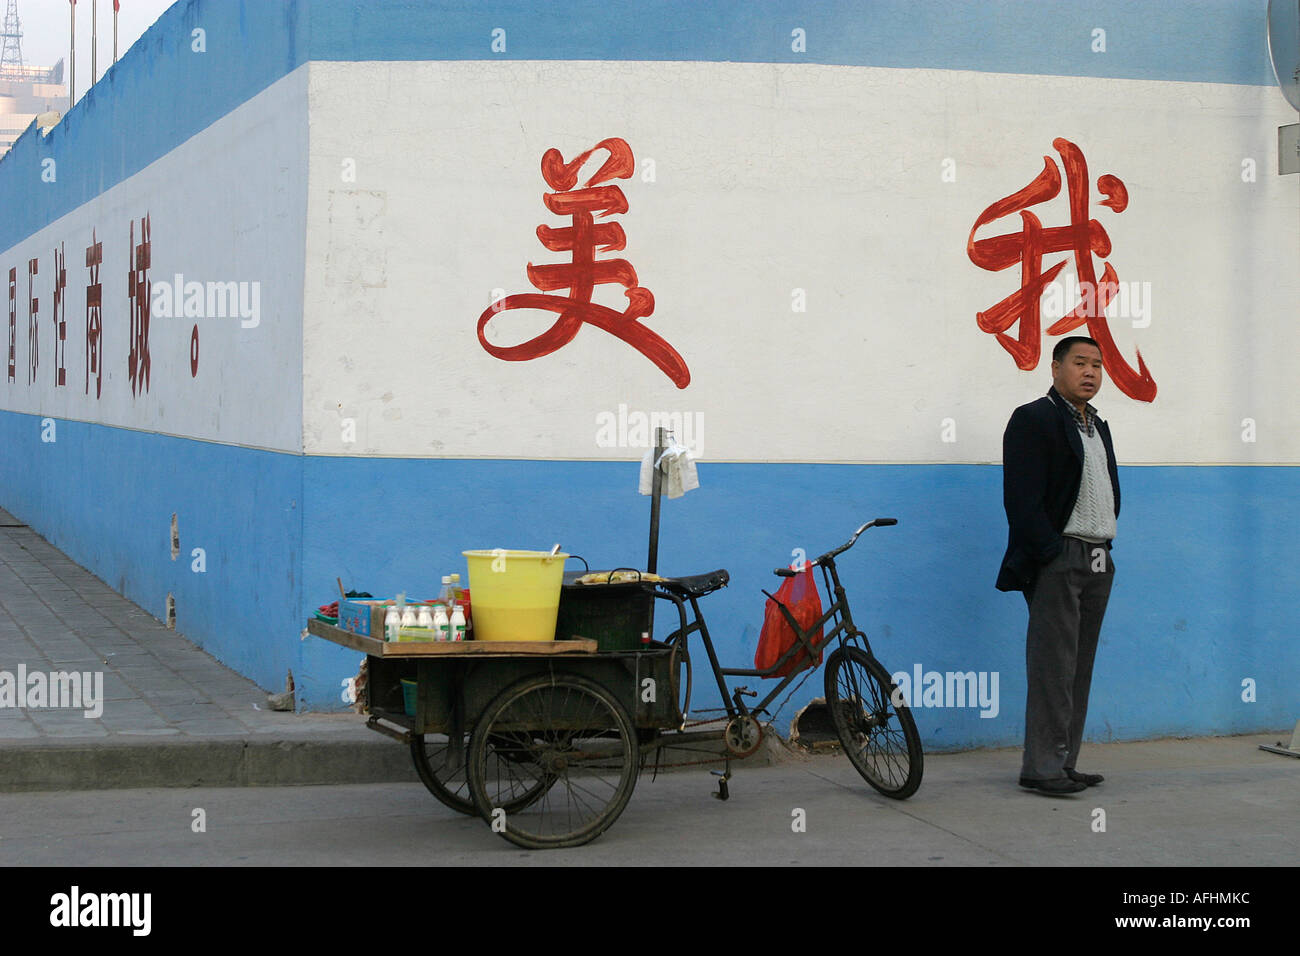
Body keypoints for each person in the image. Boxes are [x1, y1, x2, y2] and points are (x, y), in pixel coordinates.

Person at [997, 336, 1119, 796]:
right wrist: (1049, 550)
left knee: (1078, 666)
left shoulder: (1097, 425)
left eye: (1097, 365)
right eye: (1080, 363)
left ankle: (1064, 762)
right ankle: (1040, 768)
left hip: (1098, 555)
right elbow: (1021, 500)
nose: (1090, 372)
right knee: (1053, 665)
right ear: (1055, 368)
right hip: (1060, 556)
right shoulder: (1033, 419)